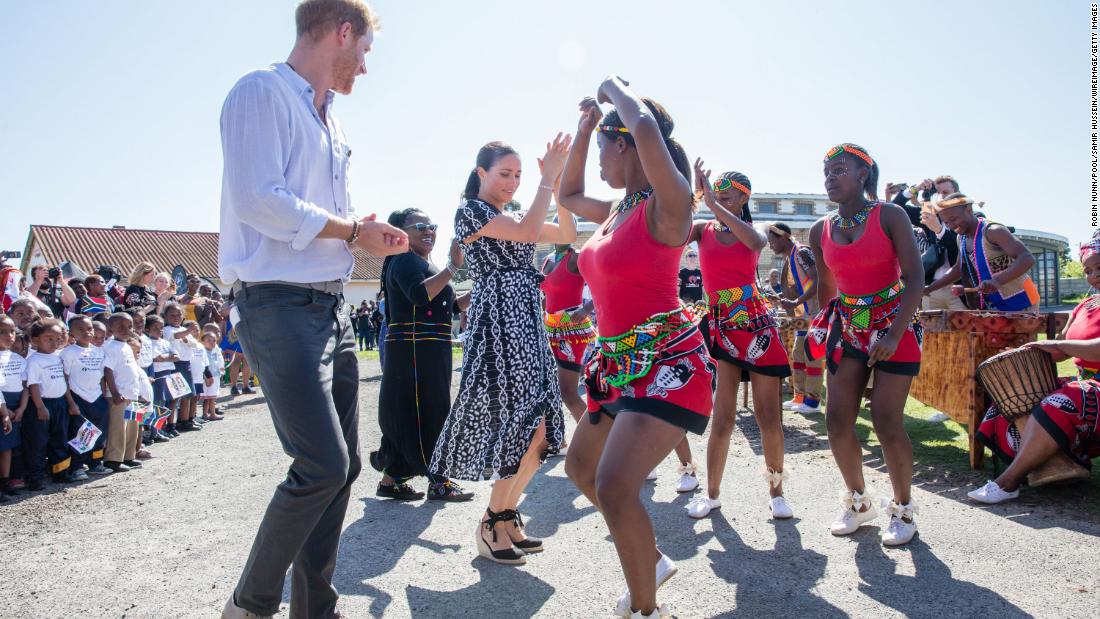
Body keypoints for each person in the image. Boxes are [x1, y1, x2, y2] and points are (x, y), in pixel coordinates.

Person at [217, 2, 408, 616]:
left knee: (343, 467)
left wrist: (359, 233)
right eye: (367, 51)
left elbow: (322, 222)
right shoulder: (261, 91)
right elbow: (257, 200)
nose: (366, 67)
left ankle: (314, 610)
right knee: (321, 462)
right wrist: (354, 231)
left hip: (329, 309)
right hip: (275, 301)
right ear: (344, 32)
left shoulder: (334, 124)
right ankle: (249, 606)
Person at [558, 79, 714, 619]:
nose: (599, 158)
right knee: (581, 469)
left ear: (624, 145)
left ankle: (646, 608)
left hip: (668, 363)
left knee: (615, 486)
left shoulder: (668, 206)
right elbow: (566, 195)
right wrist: (583, 132)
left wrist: (614, 89)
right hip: (617, 365)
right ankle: (648, 559)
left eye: (603, 145)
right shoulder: (616, 210)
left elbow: (646, 125)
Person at [430, 135, 574, 567]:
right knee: (518, 419)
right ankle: (492, 520)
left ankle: (506, 513)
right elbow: (530, 231)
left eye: (518, 175)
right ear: (481, 174)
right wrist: (546, 182)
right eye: (504, 174)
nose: (512, 182)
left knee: (544, 424)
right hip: (499, 321)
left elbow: (564, 232)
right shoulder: (470, 210)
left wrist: (560, 182)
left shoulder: (511, 214)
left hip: (527, 316)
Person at [806, 143, 924, 547]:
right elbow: (826, 286)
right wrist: (822, 330)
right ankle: (858, 503)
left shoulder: (889, 215)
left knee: (886, 420)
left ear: (862, 175)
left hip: (896, 321)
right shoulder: (819, 229)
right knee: (837, 420)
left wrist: (893, 335)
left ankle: (903, 509)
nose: (830, 178)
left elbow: (915, 278)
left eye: (840, 169)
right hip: (850, 323)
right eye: (826, 172)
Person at [683, 163, 793, 521]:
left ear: (744, 197)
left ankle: (777, 493)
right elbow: (671, 231)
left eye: (727, 195)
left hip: (756, 325)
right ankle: (712, 495)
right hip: (721, 327)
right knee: (723, 418)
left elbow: (757, 243)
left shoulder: (754, 230)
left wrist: (713, 203)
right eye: (716, 194)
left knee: (767, 416)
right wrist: (693, 195)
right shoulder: (703, 229)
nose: (719, 199)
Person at [969, 232, 1100, 503]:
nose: (1093, 275)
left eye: (1099, 267)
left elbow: (1086, 347)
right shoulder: (1084, 306)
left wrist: (1061, 345)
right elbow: (1063, 350)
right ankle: (1053, 466)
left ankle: (1008, 482)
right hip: (1086, 385)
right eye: (1088, 270)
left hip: (1095, 389)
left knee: (1057, 403)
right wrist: (1025, 357)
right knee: (1008, 403)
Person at [371, 209, 474, 501]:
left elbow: (449, 307)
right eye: (420, 226)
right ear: (400, 232)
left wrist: (476, 293)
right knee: (428, 410)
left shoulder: (422, 263)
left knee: (414, 410)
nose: (429, 230)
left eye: (432, 226)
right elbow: (419, 295)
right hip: (415, 351)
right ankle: (439, 481)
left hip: (428, 349)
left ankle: (393, 480)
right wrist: (453, 268)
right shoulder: (404, 259)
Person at [924, 193, 1040, 312]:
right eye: (946, 222)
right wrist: (929, 288)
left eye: (953, 219)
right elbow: (958, 268)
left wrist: (997, 281)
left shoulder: (993, 231)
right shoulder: (961, 238)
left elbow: (1027, 258)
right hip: (996, 305)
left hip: (1022, 300)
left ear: (969, 210)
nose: (951, 225)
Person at [766, 222, 824, 414]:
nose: (770, 245)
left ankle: (813, 402)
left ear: (783, 237)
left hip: (815, 311)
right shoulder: (791, 257)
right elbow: (796, 288)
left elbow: (817, 280)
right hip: (803, 313)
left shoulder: (801, 253)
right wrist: (784, 300)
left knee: (812, 355)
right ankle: (800, 397)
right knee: (798, 354)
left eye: (772, 241)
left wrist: (796, 301)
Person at [540, 243, 595, 433]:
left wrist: (586, 308)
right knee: (550, 391)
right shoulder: (548, 259)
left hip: (572, 330)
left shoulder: (576, 257)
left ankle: (596, 440)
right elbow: (547, 296)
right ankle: (559, 440)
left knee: (569, 393)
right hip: (551, 330)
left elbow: (602, 283)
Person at [23, 319, 77, 487]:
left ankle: (60, 472)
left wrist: (71, 403)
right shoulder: (34, 361)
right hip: (42, 405)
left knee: (59, 439)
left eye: (57, 338)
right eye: (48, 338)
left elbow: (63, 383)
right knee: (38, 441)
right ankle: (35, 477)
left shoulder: (57, 358)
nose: (54, 342)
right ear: (35, 340)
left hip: (60, 403)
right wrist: (40, 407)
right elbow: (33, 386)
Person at [60, 316, 111, 476]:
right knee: (79, 433)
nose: (86, 332)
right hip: (78, 398)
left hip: (97, 398)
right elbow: (65, 379)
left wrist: (103, 397)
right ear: (71, 333)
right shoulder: (68, 353)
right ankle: (77, 466)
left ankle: (95, 463)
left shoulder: (99, 351)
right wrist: (71, 402)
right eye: (80, 329)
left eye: (89, 328)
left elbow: (102, 377)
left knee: (98, 432)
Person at [102, 313, 144, 472]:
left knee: (132, 427)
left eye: (129, 326)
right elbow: (108, 371)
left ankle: (128, 455)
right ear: (111, 328)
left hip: (132, 393)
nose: (126, 330)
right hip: (119, 395)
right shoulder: (110, 347)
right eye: (121, 327)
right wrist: (114, 393)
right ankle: (113, 459)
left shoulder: (127, 346)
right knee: (118, 428)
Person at [0, 315, 28, 498]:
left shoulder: (18, 359)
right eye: (2, 332)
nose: (9, 336)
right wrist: (4, 413)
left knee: (8, 446)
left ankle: (5, 482)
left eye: (11, 331)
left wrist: (22, 408)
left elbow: (25, 386)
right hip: (3, 408)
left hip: (15, 406)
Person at [200, 332, 225, 421]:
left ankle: (206, 414)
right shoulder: (203, 352)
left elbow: (219, 361)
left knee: (210, 396)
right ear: (203, 342)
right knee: (209, 397)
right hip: (208, 377)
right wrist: (206, 377)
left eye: (214, 340)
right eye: (209, 340)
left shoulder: (215, 351)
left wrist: (221, 369)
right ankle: (211, 414)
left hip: (215, 376)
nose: (212, 342)